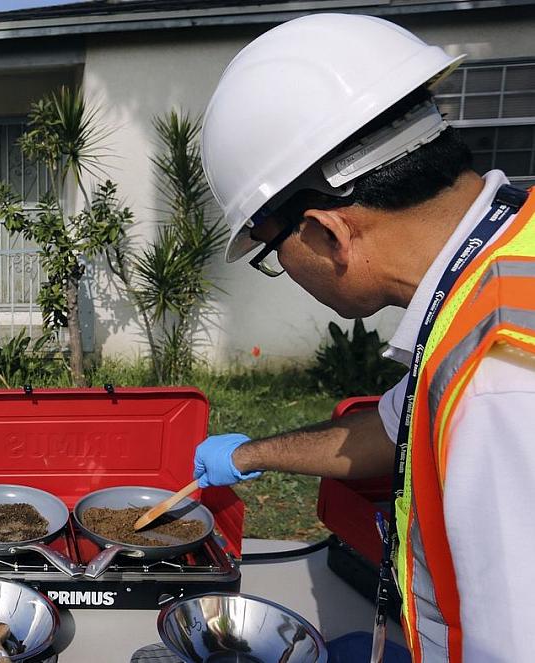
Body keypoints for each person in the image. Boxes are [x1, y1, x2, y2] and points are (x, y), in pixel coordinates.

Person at [195, 13, 535, 661]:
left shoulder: (501, 370)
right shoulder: (501, 259)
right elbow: (394, 429)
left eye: (271, 253)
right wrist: (249, 454)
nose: (283, 273)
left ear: (328, 233)